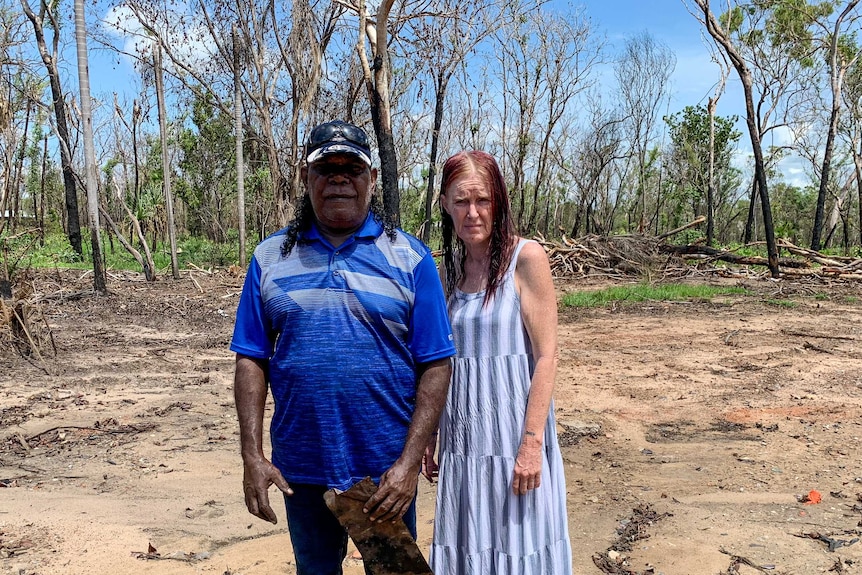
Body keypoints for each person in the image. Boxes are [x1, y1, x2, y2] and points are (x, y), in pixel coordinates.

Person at [230, 120, 455, 575]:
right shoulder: (270, 258)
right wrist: (252, 455)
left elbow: (436, 363)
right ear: (304, 178)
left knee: (394, 572)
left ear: (371, 180)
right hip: (303, 466)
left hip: (383, 471)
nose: (338, 178)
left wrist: (409, 464)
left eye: (351, 168)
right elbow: (251, 357)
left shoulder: (410, 258)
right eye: (325, 168)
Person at [425, 150, 572, 574]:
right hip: (465, 441)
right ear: (445, 205)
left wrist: (531, 444)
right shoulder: (448, 268)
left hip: (513, 441)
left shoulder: (526, 259)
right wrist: (432, 432)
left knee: (519, 549)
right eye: (461, 201)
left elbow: (547, 357)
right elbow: (442, 359)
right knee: (469, 543)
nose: (472, 212)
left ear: (499, 202)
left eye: (482, 200)